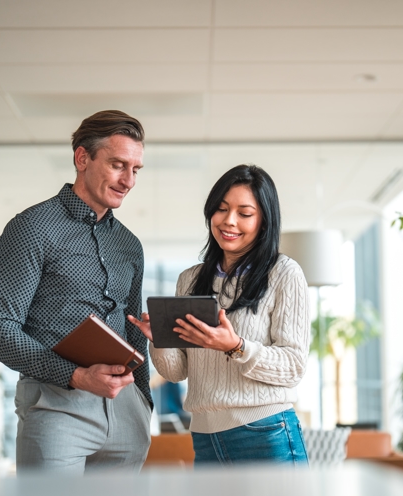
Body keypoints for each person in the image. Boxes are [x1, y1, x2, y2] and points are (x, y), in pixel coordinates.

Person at [0, 110, 152, 474]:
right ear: (82, 157)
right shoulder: (31, 228)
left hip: (126, 415)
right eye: (118, 164)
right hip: (56, 408)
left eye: (135, 169)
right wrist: (76, 376)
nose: (128, 180)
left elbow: (134, 327)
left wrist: (143, 401)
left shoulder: (129, 245)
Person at [129, 164, 309, 465]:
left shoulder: (283, 273)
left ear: (264, 220)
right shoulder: (189, 279)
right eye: (221, 209)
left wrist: (235, 346)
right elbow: (176, 371)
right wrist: (159, 338)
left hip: (265, 432)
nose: (229, 221)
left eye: (245, 213)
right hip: (205, 436)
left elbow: (294, 367)